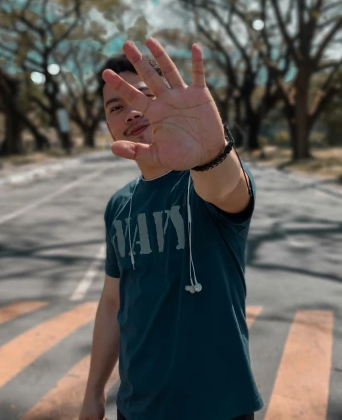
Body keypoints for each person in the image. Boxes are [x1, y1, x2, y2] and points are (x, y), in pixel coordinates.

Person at [79, 39, 263, 420]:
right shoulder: (119, 205)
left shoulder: (203, 181)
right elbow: (113, 302)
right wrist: (93, 393)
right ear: (109, 126)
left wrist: (211, 153)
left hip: (219, 409)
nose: (130, 112)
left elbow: (226, 187)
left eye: (144, 98)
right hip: (136, 408)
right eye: (115, 107)